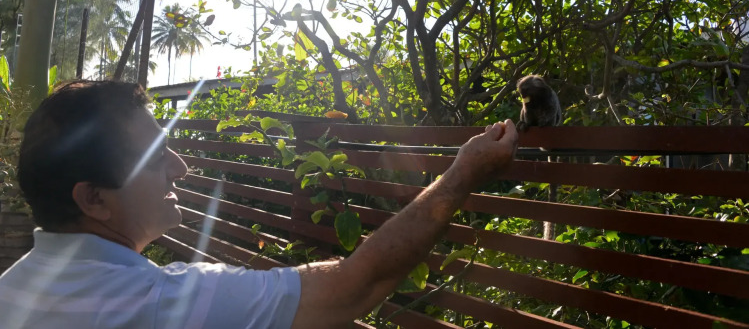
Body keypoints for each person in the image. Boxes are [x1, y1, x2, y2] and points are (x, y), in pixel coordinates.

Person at [0, 80, 518, 329]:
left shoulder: (12, 288)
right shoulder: (158, 305)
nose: (181, 168)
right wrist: (461, 175)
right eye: (156, 158)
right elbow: (354, 287)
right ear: (93, 198)